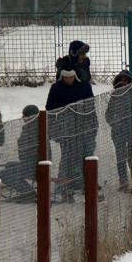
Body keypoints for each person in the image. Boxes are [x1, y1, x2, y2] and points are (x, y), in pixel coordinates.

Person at [46, 69, 97, 202]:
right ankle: (64, 186)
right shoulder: (56, 88)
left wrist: (93, 126)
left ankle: (86, 183)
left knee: (86, 156)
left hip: (84, 127)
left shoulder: (84, 87)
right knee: (67, 157)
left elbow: (91, 107)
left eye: (71, 77)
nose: (69, 80)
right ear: (62, 76)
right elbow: (50, 108)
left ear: (75, 76)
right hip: (66, 130)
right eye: (66, 77)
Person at [0, 105, 42, 202]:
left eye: (24, 116)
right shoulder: (34, 126)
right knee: (9, 165)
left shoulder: (34, 129)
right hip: (31, 162)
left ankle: (28, 192)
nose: (22, 118)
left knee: (3, 174)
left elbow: (28, 148)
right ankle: (25, 190)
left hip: (34, 165)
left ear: (30, 116)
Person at [106, 70, 132, 192]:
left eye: (126, 80)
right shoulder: (115, 95)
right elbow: (108, 114)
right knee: (120, 158)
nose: (124, 82)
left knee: (131, 156)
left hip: (130, 130)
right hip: (118, 131)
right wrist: (113, 122)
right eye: (121, 80)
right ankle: (123, 182)